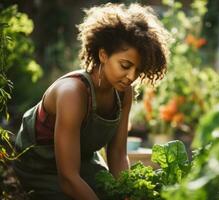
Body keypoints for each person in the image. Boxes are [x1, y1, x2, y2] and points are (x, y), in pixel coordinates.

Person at [13, 3, 170, 200]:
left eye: (138, 70)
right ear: (103, 55)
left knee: (111, 192)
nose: (131, 76)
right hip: (39, 166)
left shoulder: (124, 93)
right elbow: (69, 178)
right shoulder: (73, 94)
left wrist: (127, 194)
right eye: (125, 65)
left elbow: (118, 154)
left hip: (82, 160)